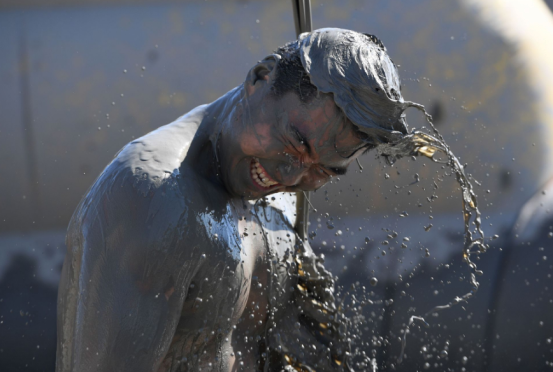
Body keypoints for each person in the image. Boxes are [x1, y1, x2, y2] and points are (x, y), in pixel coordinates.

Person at [56, 28, 413, 372]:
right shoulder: (155, 198)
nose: (289, 179)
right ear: (260, 79)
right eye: (294, 143)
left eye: (323, 171)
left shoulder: (276, 192)